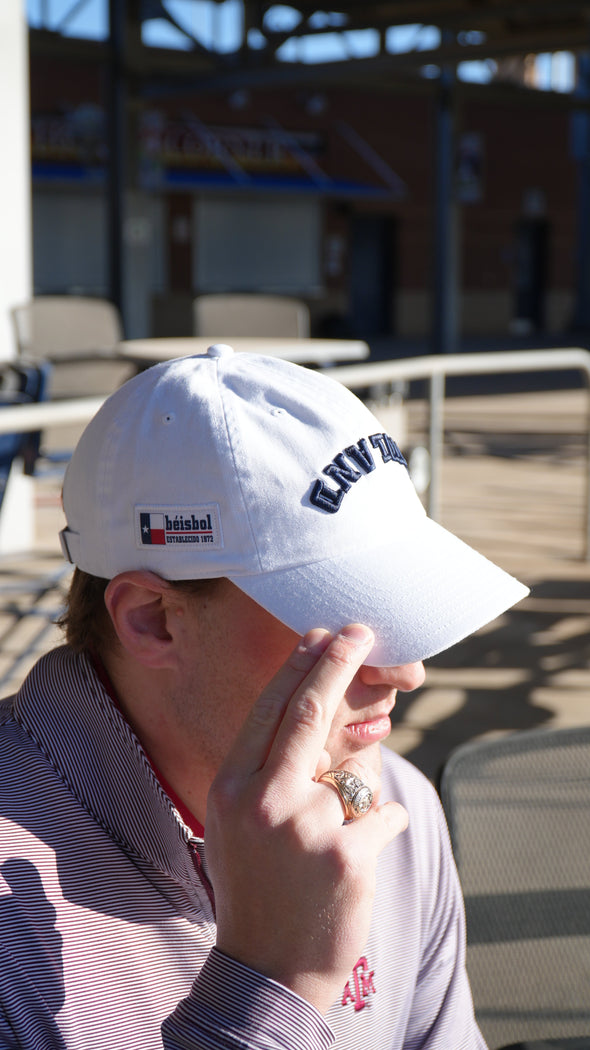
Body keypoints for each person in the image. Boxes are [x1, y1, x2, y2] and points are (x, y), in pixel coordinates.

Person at [0, 344, 528, 1049]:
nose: (408, 674)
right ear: (154, 620)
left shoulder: (393, 811)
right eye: (345, 616)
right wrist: (271, 984)